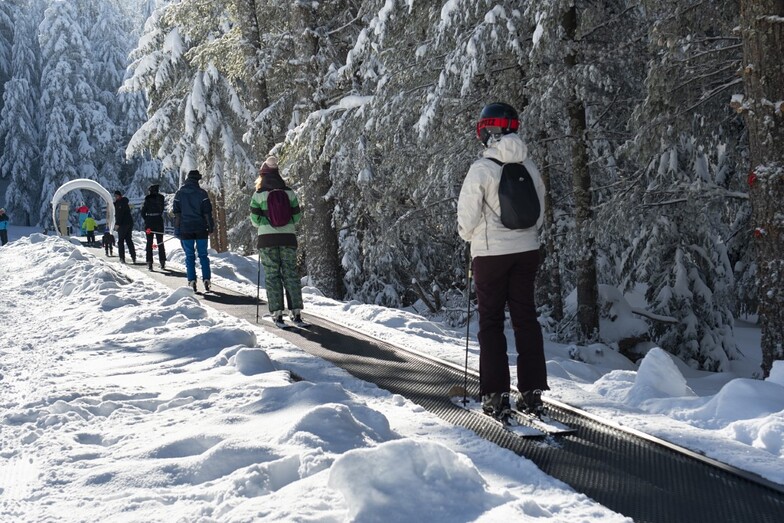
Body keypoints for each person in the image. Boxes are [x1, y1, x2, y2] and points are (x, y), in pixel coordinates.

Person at [457, 102, 547, 419]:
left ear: (488, 132)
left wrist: (471, 237)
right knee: (526, 319)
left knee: (491, 322)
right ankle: (532, 392)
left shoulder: (482, 169)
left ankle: (496, 394)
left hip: (491, 255)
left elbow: (467, 219)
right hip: (527, 252)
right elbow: (539, 214)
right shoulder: (530, 166)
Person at [249, 156, 305, 327]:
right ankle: (295, 313)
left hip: (267, 240)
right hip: (288, 238)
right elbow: (296, 217)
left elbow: (255, 221)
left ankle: (277, 313)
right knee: (291, 274)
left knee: (273, 276)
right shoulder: (289, 193)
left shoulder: (258, 195)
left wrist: (267, 222)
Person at [172, 169, 214, 292]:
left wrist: (177, 229)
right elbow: (207, 213)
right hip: (201, 228)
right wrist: (210, 227)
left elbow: (177, 214)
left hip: (186, 229)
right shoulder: (202, 193)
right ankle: (206, 280)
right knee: (203, 255)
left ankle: (192, 281)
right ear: (197, 180)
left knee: (189, 256)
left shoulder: (179, 194)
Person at [141, 183, 167, 271]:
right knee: (160, 242)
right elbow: (162, 209)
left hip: (149, 223)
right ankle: (162, 261)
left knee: (149, 243)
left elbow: (143, 212)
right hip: (159, 221)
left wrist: (147, 219)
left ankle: (149, 262)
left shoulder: (147, 199)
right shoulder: (161, 198)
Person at [113, 190, 136, 264]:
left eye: (117, 196)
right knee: (129, 240)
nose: (116, 197)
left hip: (123, 224)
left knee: (121, 241)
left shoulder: (121, 204)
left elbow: (120, 215)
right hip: (129, 223)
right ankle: (133, 256)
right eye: (115, 196)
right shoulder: (123, 202)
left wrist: (117, 224)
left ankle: (122, 258)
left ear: (120, 196)